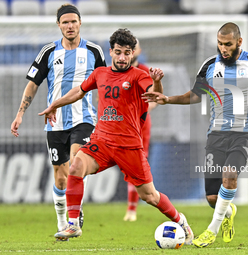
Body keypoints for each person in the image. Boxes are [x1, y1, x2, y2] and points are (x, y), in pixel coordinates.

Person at [142, 22, 248, 248]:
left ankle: (211, 230)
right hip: (216, 134)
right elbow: (195, 96)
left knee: (230, 173)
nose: (223, 49)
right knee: (213, 199)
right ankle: (228, 210)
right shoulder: (209, 66)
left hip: (246, 133)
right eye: (220, 44)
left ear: (239, 42)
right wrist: (168, 99)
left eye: (228, 44)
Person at [39, 28, 194, 244]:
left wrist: (157, 82)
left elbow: (156, 96)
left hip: (128, 146)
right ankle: (73, 224)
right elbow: (79, 91)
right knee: (75, 166)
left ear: (133, 54)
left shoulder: (139, 75)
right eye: (118, 52)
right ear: (111, 52)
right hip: (101, 142)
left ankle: (181, 221)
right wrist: (54, 104)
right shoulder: (100, 73)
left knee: (149, 196)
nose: (122, 57)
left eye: (127, 53)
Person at [10, 4, 106, 240]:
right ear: (58, 25)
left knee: (76, 165)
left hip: (84, 118)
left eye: (74, 21)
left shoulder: (94, 51)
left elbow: (106, 85)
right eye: (65, 22)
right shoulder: (48, 52)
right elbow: (33, 83)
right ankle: (64, 222)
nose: (70, 26)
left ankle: (74, 218)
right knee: (61, 177)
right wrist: (21, 113)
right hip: (54, 122)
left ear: (80, 23)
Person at [123, 39, 157, 222]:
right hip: (119, 126)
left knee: (137, 165)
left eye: (134, 48)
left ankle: (132, 209)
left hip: (141, 126)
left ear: (139, 50)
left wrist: (142, 110)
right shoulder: (116, 71)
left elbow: (154, 99)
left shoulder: (145, 71)